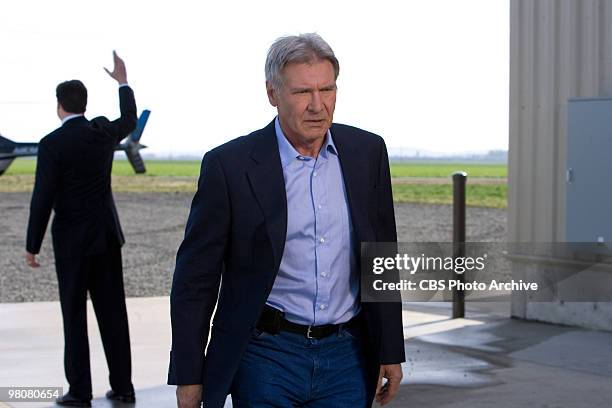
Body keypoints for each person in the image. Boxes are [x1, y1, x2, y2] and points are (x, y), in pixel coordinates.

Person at [168, 33, 405, 408]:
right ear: (272, 94)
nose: (317, 105)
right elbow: (195, 280)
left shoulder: (367, 152)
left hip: (348, 357)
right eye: (301, 93)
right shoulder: (229, 166)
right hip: (266, 356)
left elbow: (382, 257)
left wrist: (391, 348)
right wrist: (189, 375)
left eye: (327, 89)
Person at [25, 51, 137, 407]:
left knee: (74, 316)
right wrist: (122, 81)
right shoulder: (102, 132)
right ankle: (123, 387)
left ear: (60, 106)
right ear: (84, 104)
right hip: (105, 238)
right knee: (113, 314)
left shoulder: (52, 144)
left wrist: (32, 245)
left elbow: (42, 197)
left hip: (72, 243)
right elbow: (130, 120)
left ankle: (79, 392)